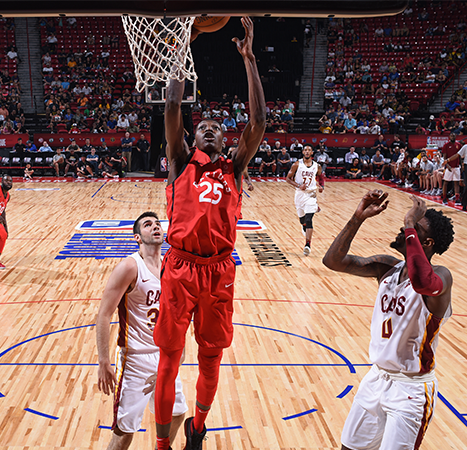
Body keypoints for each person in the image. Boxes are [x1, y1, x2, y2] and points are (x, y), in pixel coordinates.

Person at [154, 17, 265, 450]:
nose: (211, 128)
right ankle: (163, 445)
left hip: (219, 270)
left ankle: (198, 427)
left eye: (218, 127)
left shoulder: (234, 167)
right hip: (180, 267)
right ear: (193, 136)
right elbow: (172, 109)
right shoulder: (182, 161)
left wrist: (250, 59)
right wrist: (183, 47)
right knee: (170, 357)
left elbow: (258, 121)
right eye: (204, 126)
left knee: (211, 355)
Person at [323, 190, 455, 450]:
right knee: (349, 447)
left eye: (413, 228)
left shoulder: (442, 276)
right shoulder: (387, 268)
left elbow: (422, 282)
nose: (402, 229)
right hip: (376, 378)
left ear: (426, 242)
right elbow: (332, 261)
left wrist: (409, 224)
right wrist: (357, 218)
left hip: (411, 389)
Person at [95, 212, 187, 450]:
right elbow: (104, 314)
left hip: (166, 354)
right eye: (148, 225)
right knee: (124, 432)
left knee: (177, 413)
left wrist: (180, 353)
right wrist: (103, 360)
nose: (155, 227)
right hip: (135, 358)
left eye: (157, 224)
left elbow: (179, 315)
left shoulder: (172, 266)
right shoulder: (129, 267)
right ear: (137, 237)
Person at [286, 145, 324, 256]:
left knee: (309, 219)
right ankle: (303, 225)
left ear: (312, 153)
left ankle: (307, 244)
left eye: (309, 150)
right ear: (303, 152)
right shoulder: (296, 164)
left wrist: (322, 186)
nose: (307, 152)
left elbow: (321, 177)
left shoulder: (317, 166)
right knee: (302, 219)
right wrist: (298, 185)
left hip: (311, 194)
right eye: (305, 150)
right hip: (299, 195)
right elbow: (288, 179)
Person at [440, 133, 461, 206]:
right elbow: (444, 157)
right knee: (446, 182)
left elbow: (460, 156)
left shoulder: (459, 145)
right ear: (449, 137)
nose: (453, 137)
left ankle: (457, 199)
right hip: (449, 167)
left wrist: (461, 164)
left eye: (454, 136)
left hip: (457, 166)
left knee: (456, 183)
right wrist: (447, 165)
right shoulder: (446, 145)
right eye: (451, 136)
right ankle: (444, 198)